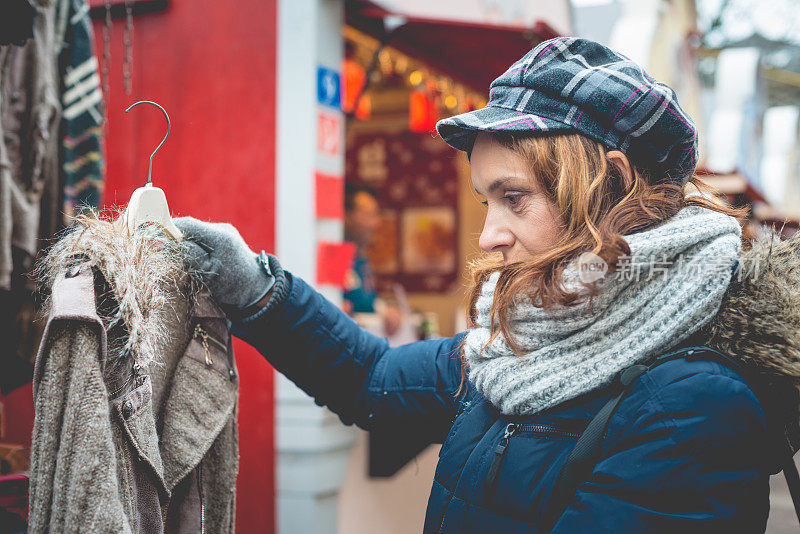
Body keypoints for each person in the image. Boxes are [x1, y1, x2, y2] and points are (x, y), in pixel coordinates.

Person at [175, 38, 800, 532]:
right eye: (486, 201)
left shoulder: (694, 407)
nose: (488, 237)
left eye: (515, 198)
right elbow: (375, 383)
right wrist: (255, 288)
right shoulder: (519, 344)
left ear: (609, 187)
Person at [343, 183, 380, 315]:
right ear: (346, 217)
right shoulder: (337, 256)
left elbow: (368, 304)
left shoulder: (362, 258)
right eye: (368, 215)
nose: (375, 223)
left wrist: (386, 311)